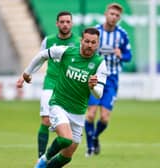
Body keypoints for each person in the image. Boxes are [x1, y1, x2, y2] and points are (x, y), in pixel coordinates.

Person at [19, 28, 108, 168]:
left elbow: (99, 93)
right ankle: (43, 159)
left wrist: (93, 87)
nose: (89, 45)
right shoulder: (66, 51)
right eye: (87, 41)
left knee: (67, 156)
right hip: (58, 104)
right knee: (66, 139)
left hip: (78, 112)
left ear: (97, 44)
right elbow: (42, 55)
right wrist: (27, 72)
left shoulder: (100, 63)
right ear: (81, 41)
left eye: (93, 42)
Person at [16, 11, 80, 158]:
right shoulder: (48, 40)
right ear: (57, 23)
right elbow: (40, 58)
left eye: (67, 21)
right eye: (62, 22)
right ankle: (41, 157)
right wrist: (26, 74)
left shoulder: (79, 42)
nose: (65, 24)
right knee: (45, 119)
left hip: (69, 88)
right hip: (50, 83)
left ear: (72, 23)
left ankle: (57, 157)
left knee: (67, 129)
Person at [85, 3, 132, 156]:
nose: (114, 17)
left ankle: (95, 136)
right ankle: (90, 147)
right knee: (91, 114)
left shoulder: (122, 34)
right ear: (106, 14)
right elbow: (84, 50)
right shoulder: (95, 32)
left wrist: (121, 55)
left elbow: (128, 56)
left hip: (111, 80)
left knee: (104, 118)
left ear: (119, 18)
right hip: (96, 77)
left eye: (117, 15)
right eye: (112, 14)